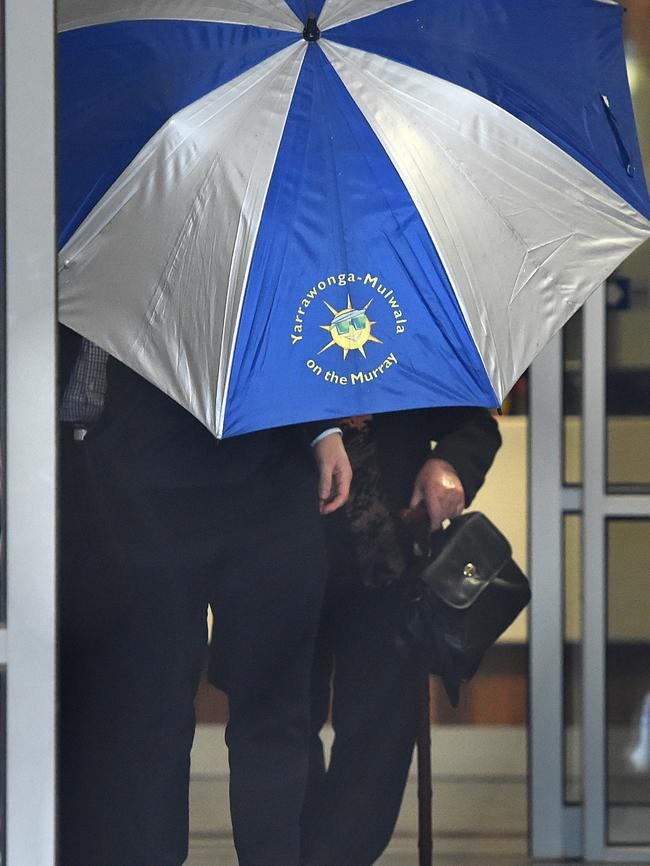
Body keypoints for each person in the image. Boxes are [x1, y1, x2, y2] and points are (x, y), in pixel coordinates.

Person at [57, 328, 352, 866]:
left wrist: (322, 428)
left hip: (272, 474)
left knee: (275, 718)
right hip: (145, 477)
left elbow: (299, 306)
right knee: (150, 716)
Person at [299, 408, 501, 866]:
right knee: (279, 735)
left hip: (387, 560)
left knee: (380, 740)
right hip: (279, 564)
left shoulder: (408, 336)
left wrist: (450, 464)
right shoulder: (261, 338)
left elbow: (473, 423)